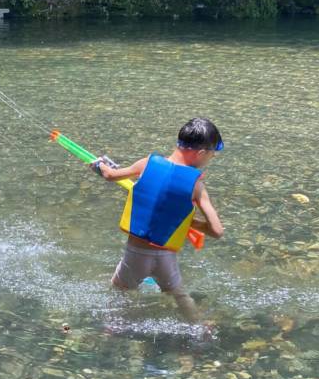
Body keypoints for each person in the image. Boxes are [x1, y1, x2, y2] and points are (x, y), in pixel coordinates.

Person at [91, 118, 225, 321]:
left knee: (119, 291)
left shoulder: (146, 164)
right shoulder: (197, 186)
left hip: (136, 255)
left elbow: (110, 175)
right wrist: (188, 222)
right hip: (165, 258)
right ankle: (198, 331)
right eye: (212, 155)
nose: (210, 159)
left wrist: (100, 165)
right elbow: (217, 230)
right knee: (180, 296)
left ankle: (112, 330)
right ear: (201, 153)